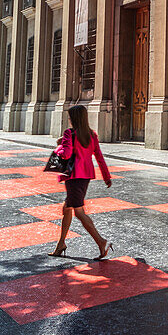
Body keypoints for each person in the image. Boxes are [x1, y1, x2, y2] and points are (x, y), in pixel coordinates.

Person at [49, 104, 113, 260]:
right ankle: (61, 244)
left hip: (73, 177)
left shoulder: (69, 134)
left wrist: (60, 145)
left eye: (70, 117)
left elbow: (66, 154)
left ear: (74, 119)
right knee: (67, 208)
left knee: (79, 212)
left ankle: (101, 242)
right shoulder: (92, 135)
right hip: (84, 177)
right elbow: (99, 156)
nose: (69, 119)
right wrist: (106, 176)